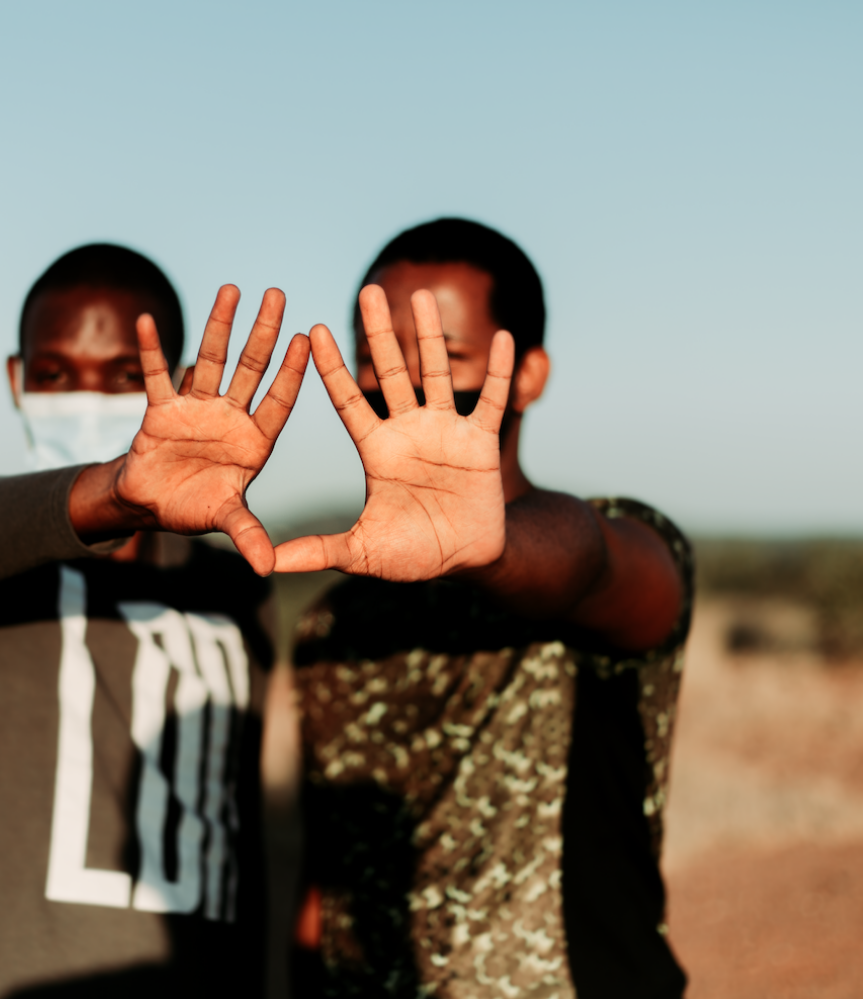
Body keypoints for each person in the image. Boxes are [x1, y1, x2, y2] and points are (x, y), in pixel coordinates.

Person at [274, 219, 692, 998]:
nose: (399, 383)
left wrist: (485, 546)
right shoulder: (331, 623)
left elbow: (594, 564)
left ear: (529, 374)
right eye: (376, 356)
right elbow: (322, 880)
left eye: (444, 357)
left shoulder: (620, 548)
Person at [0, 244, 312, 998]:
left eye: (124, 375)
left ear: (179, 388)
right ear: (16, 381)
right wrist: (119, 490)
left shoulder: (231, 585)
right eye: (53, 375)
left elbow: (236, 827)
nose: (85, 399)